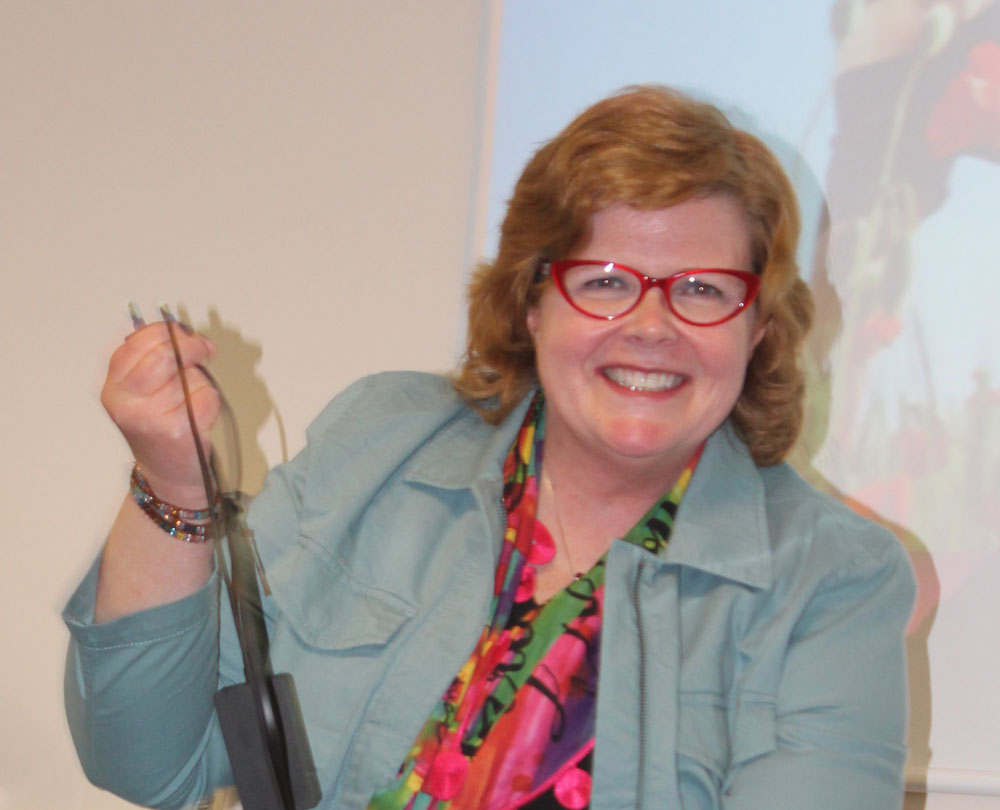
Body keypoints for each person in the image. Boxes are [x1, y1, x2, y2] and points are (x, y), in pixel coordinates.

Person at [64, 85, 915, 809]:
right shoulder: (380, 446)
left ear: (757, 328)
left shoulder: (832, 581)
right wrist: (172, 483)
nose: (652, 325)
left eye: (702, 289)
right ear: (532, 302)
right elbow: (152, 761)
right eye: (605, 282)